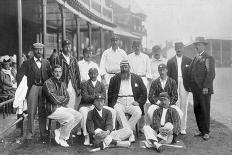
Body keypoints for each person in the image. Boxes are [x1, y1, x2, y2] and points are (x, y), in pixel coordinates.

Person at [17, 43, 51, 141]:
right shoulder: (27, 63)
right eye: (36, 49)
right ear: (33, 50)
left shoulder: (46, 63)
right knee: (31, 111)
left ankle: (43, 133)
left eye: (40, 49)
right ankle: (30, 134)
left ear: (43, 50)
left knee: (42, 112)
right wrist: (25, 88)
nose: (39, 51)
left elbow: (50, 77)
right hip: (33, 88)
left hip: (43, 89)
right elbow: (19, 76)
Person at [43, 65, 82, 147]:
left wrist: (60, 99)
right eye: (56, 71)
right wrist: (62, 99)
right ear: (52, 73)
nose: (58, 73)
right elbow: (53, 99)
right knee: (70, 118)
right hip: (51, 110)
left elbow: (67, 98)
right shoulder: (47, 83)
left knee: (78, 116)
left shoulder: (63, 84)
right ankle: (62, 138)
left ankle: (58, 131)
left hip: (61, 108)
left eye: (60, 72)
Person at [108, 60, 147, 141]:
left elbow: (144, 92)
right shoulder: (114, 79)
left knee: (138, 112)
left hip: (132, 101)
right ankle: (130, 133)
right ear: (120, 68)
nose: (124, 69)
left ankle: (126, 132)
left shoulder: (137, 78)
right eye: (122, 67)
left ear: (129, 67)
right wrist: (112, 104)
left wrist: (139, 102)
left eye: (126, 67)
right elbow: (110, 93)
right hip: (119, 101)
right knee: (117, 111)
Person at [79, 67, 116, 145]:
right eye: (91, 73)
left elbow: (104, 98)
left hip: (99, 105)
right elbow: (85, 98)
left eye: (95, 73)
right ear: (88, 74)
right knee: (84, 112)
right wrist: (97, 97)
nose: (93, 75)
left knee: (113, 111)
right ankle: (87, 136)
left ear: (97, 74)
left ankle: (109, 132)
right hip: (86, 105)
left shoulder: (101, 84)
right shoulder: (84, 84)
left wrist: (94, 98)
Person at [188, 37, 215, 140]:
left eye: (199, 45)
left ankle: (206, 132)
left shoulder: (208, 58)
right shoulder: (196, 57)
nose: (197, 47)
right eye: (196, 45)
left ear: (204, 45)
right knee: (197, 109)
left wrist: (206, 86)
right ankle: (201, 130)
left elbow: (211, 73)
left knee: (204, 109)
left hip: (204, 89)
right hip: (196, 89)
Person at [167, 42, 192, 135]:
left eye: (180, 47)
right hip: (174, 82)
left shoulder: (189, 60)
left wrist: (190, 86)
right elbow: (168, 76)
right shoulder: (170, 61)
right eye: (177, 48)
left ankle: (183, 127)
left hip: (184, 83)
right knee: (175, 104)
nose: (179, 49)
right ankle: (175, 126)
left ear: (183, 48)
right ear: (175, 49)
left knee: (184, 104)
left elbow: (190, 74)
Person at [52, 40, 81, 109]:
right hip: (62, 85)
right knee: (63, 106)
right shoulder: (57, 59)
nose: (68, 49)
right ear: (62, 48)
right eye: (66, 47)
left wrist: (78, 86)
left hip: (73, 85)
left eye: (69, 47)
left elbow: (77, 73)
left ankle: (72, 119)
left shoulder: (73, 59)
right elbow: (54, 74)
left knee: (72, 104)